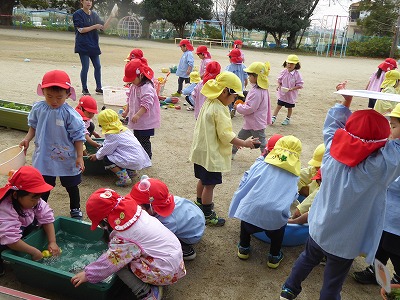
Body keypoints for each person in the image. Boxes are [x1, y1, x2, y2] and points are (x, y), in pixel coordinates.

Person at [280, 81, 400, 300]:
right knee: (333, 282)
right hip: (346, 241)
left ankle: (289, 289)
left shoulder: (331, 153)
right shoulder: (378, 170)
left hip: (319, 227)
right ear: (381, 142)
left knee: (307, 258)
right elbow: (395, 151)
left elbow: (332, 127)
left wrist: (345, 103)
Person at [70, 188, 186, 300]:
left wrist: (88, 274)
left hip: (165, 271)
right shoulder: (136, 212)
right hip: (174, 260)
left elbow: (109, 263)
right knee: (124, 256)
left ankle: (146, 292)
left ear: (105, 220)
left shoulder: (124, 237)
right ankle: (156, 280)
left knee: (118, 264)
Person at [189, 71, 260, 227]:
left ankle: (199, 203)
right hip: (212, 154)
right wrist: (245, 143)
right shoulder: (220, 109)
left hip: (202, 151)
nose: (234, 100)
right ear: (225, 91)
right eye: (234, 97)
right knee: (210, 185)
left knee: (203, 179)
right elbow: (225, 135)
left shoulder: (210, 101)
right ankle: (207, 213)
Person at [19, 70, 86, 220]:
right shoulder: (38, 108)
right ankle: (40, 208)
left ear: (68, 95)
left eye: (59, 97)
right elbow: (33, 126)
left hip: (67, 155)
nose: (54, 101)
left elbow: (78, 136)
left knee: (71, 185)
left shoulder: (70, 114)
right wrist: (27, 139)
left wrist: (80, 156)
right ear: (43, 91)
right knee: (43, 185)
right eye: (49, 96)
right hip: (45, 154)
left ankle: (75, 207)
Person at [229, 135, 302, 269]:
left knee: (245, 223)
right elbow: (293, 195)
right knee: (278, 232)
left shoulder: (262, 165)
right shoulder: (294, 176)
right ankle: (274, 257)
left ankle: (244, 248)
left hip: (251, 209)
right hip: (274, 216)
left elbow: (247, 180)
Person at [352, 103, 400, 285]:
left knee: (394, 249)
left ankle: (398, 278)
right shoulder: (394, 148)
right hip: (387, 214)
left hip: (396, 221)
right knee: (380, 246)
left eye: (394, 126)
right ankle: (375, 272)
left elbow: (389, 180)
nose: (390, 130)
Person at [0, 166, 61, 276]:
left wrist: (52, 241)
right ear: (15, 195)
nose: (37, 201)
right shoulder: (6, 208)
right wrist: (34, 251)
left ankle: (22, 246)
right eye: (33, 198)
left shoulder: (34, 201)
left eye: (38, 197)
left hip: (19, 229)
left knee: (35, 225)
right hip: (3, 234)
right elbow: (10, 239)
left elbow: (47, 217)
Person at [130, 176, 205, 261]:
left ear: (152, 207)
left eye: (139, 206)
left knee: (160, 245)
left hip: (191, 235)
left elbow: (160, 239)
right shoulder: (162, 200)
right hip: (192, 219)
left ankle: (185, 250)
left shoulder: (168, 221)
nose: (135, 207)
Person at [89, 109, 151, 187]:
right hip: (138, 157)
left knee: (107, 158)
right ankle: (131, 172)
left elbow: (106, 150)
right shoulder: (123, 129)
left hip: (132, 159)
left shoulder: (113, 134)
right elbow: (110, 143)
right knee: (121, 154)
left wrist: (97, 155)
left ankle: (124, 179)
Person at [73, 0, 115, 96]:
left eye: (90, 1)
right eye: (86, 0)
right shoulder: (77, 14)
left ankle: (99, 87)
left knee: (98, 66)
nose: (89, 2)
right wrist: (94, 26)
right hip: (83, 45)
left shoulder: (94, 14)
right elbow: (81, 30)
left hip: (93, 44)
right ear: (82, 2)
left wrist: (111, 16)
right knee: (85, 67)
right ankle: (85, 89)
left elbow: (103, 27)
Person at [232, 62, 272, 159]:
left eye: (250, 75)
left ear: (256, 77)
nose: (248, 77)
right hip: (252, 122)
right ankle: (232, 153)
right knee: (240, 137)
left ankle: (266, 158)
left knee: (261, 142)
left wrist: (238, 107)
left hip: (256, 123)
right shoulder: (261, 89)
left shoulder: (257, 92)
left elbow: (250, 108)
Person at [122, 59, 161, 159]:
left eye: (132, 79)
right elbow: (130, 99)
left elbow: (147, 104)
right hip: (137, 120)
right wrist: (127, 111)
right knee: (136, 138)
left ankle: (147, 157)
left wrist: (138, 114)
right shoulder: (134, 86)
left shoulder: (147, 87)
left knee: (144, 140)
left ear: (141, 75)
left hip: (145, 120)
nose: (131, 81)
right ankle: (139, 156)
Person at [272, 54, 304, 126]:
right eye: (288, 63)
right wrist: (279, 85)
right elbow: (279, 80)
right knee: (278, 105)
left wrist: (292, 89)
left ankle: (288, 119)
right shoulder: (284, 71)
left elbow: (300, 84)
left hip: (291, 95)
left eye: (292, 64)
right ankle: (273, 117)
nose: (289, 65)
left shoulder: (297, 74)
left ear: (296, 65)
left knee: (289, 107)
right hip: (282, 93)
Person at [226, 48, 248, 117]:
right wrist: (245, 84)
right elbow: (246, 78)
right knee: (238, 98)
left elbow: (226, 77)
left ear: (231, 58)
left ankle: (231, 109)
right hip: (240, 87)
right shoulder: (243, 66)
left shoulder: (229, 67)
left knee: (230, 99)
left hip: (231, 87)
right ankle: (236, 108)